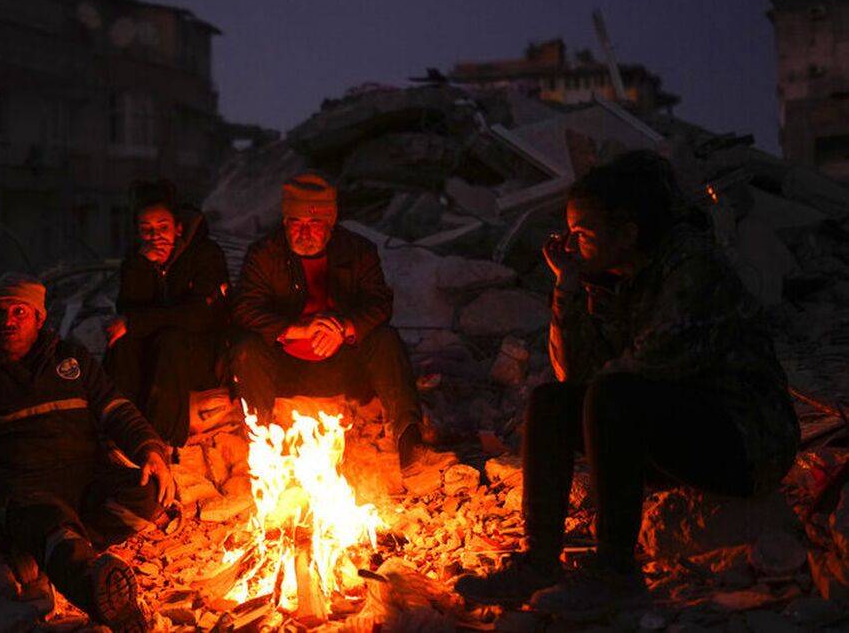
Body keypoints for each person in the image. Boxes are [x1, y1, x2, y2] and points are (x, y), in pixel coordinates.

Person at [455, 151, 799, 616]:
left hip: (744, 440)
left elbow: (644, 369)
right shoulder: (620, 276)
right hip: (671, 430)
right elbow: (574, 378)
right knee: (552, 401)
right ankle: (539, 561)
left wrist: (600, 380)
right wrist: (569, 286)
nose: (571, 243)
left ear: (628, 232)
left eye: (582, 233)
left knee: (614, 393)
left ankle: (615, 571)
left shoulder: (691, 268)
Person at [0, 273, 175, 632]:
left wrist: (149, 449)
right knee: (51, 523)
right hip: (24, 488)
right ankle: (101, 597)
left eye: (19, 311)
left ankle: (56, 547)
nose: (8, 321)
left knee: (146, 494)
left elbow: (115, 409)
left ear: (39, 317)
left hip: (85, 477)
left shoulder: (71, 361)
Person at [229, 172, 425, 472]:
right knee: (247, 348)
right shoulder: (265, 254)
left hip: (343, 366)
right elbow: (244, 308)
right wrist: (298, 330)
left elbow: (380, 304)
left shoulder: (358, 251)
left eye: (314, 223)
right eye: (296, 223)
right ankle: (262, 449)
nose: (304, 233)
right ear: (285, 223)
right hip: (286, 367)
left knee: (385, 339)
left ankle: (410, 442)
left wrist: (343, 327)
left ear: (331, 223)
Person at [104, 180, 230, 446]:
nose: (155, 237)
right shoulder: (137, 259)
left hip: (199, 349)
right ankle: (121, 427)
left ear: (178, 229)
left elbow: (199, 315)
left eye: (163, 228)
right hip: (153, 344)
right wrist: (142, 267)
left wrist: (137, 322)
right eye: (146, 230)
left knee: (169, 340)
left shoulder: (205, 255)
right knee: (122, 343)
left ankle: (163, 436)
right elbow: (127, 309)